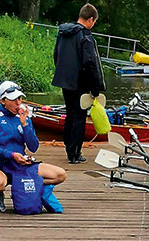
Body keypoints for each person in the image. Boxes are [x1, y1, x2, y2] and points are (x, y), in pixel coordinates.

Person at [0, 81, 67, 213]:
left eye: (20, 98)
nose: (18, 103)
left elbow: (33, 147)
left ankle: (21, 188)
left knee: (60, 175)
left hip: (22, 165)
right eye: (13, 99)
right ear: (3, 100)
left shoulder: (24, 117)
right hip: (0, 165)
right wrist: (11, 155)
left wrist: (25, 124)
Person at [52, 3, 105, 164]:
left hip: (65, 81)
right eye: (94, 21)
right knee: (79, 117)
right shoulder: (85, 36)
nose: (93, 25)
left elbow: (56, 54)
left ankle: (69, 148)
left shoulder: (64, 33)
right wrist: (95, 88)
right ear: (90, 19)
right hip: (80, 83)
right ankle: (75, 153)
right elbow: (90, 63)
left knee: (70, 114)